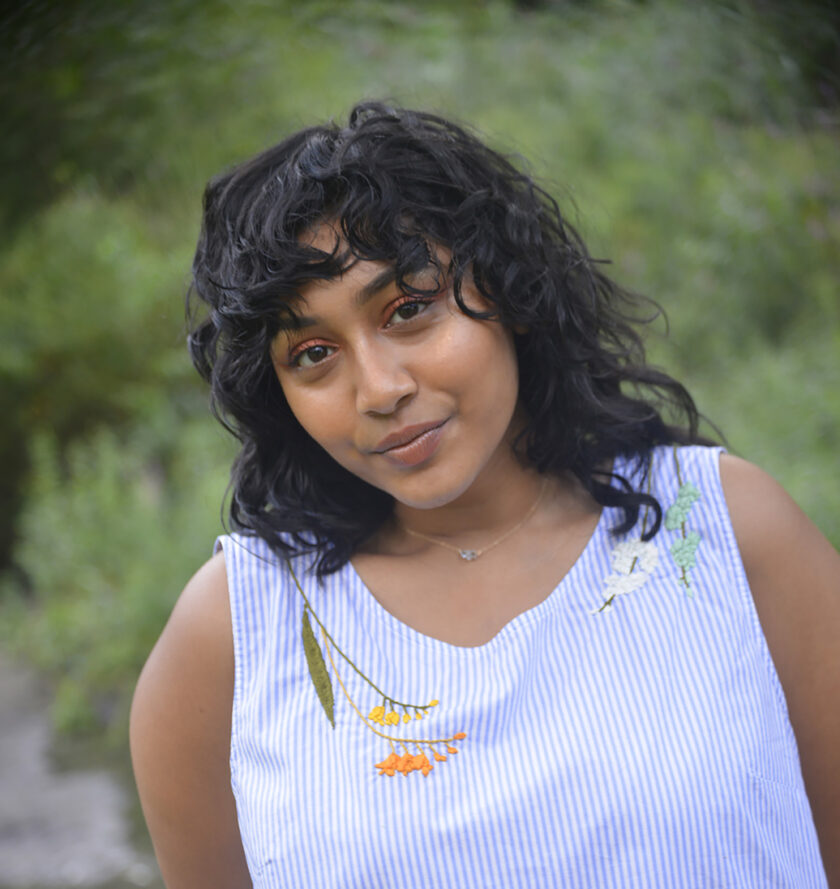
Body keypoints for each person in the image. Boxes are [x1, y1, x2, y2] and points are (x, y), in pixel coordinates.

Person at [129, 102, 840, 888]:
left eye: (409, 308)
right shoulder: (236, 634)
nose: (380, 389)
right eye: (315, 353)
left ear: (510, 293)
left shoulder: (724, 532)